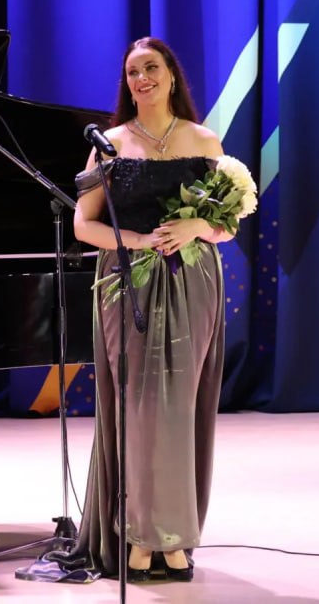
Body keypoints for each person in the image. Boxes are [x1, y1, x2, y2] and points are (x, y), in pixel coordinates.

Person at [62, 37, 233, 583]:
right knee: (137, 408)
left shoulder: (203, 139)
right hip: (125, 282)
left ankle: (175, 540)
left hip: (192, 282)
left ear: (172, 75)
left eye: (152, 68)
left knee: (179, 409)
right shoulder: (109, 145)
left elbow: (227, 225)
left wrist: (195, 226)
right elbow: (82, 224)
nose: (143, 78)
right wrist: (136, 241)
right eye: (133, 72)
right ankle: (137, 538)